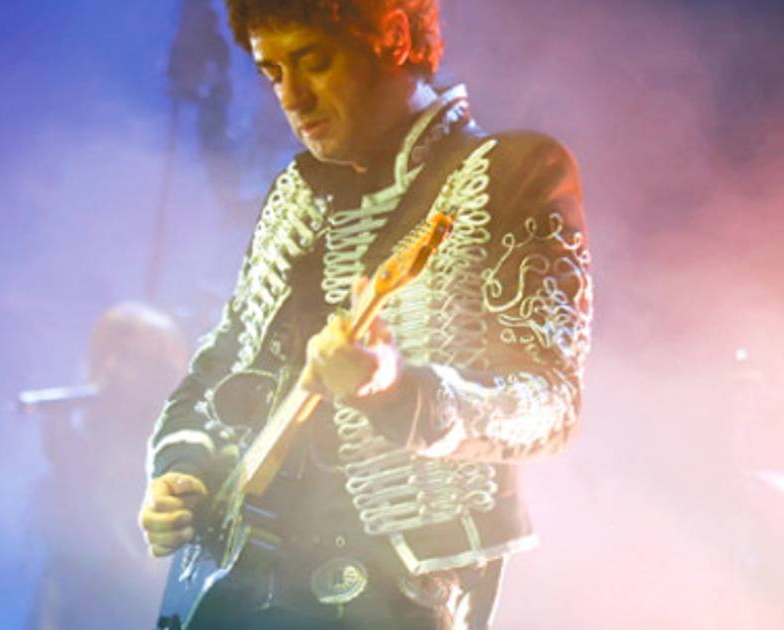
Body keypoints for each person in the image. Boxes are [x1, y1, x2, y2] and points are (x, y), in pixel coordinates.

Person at [138, 1, 592, 628]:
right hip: (240, 577)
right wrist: (179, 472)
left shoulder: (512, 172)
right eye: (273, 72)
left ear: (394, 37)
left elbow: (551, 404)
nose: (292, 96)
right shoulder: (296, 190)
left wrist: (397, 392)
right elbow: (226, 356)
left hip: (400, 592)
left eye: (314, 61)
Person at [29, 302, 189, 630]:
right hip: (80, 598)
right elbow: (65, 528)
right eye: (105, 356)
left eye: (128, 358)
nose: (112, 368)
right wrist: (66, 458)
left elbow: (145, 570)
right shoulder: (90, 438)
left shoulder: (173, 445)